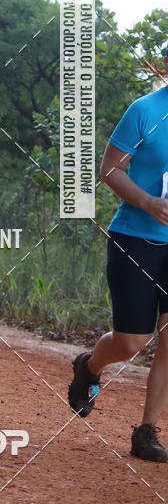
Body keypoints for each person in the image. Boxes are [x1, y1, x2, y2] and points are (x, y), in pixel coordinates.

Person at [68, 44, 168, 462]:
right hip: (136, 238)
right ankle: (89, 366)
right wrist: (148, 202)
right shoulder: (145, 110)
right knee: (133, 341)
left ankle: (147, 432)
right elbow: (110, 169)